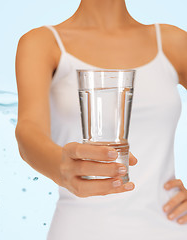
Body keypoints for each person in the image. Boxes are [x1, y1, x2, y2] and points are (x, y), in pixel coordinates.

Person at [15, 0, 187, 239]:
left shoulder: (174, 42)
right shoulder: (42, 43)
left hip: (170, 228)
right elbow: (28, 130)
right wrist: (61, 166)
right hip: (80, 229)